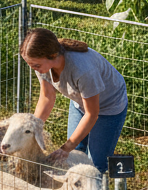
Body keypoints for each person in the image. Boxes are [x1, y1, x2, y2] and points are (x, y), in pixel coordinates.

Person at [20, 27, 127, 174]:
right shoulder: (41, 66)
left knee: (95, 164)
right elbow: (47, 97)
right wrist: (34, 129)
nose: (34, 69)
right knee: (73, 154)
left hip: (108, 107)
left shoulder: (83, 70)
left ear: (52, 55)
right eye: (30, 65)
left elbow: (92, 114)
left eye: (36, 65)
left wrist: (65, 148)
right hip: (81, 103)